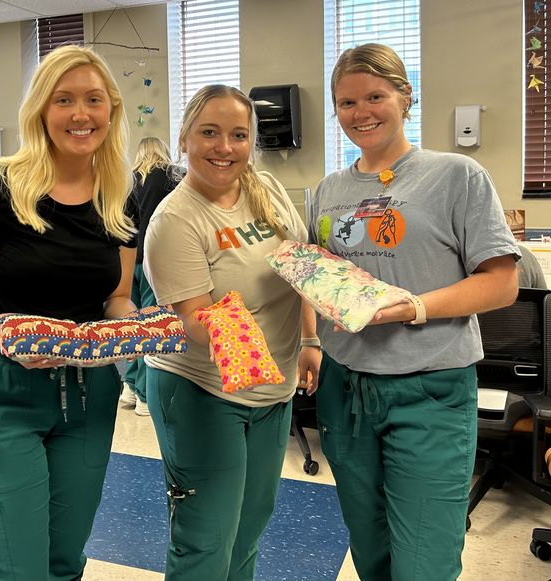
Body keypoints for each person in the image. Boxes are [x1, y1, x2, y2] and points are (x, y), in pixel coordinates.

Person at [300, 43, 520, 581]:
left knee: (424, 559)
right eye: (347, 102)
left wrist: (413, 307)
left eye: (375, 96)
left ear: (405, 97)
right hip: (346, 389)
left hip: (429, 387)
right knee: (371, 548)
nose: (362, 112)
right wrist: (309, 342)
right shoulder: (329, 190)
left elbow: (502, 283)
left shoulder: (455, 176)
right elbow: (314, 279)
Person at [0, 44, 138, 581]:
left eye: (93, 99)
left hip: (88, 397)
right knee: (15, 568)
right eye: (63, 99)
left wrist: (135, 328)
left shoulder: (118, 196)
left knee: (63, 562)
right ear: (41, 110)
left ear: (110, 110)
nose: (80, 114)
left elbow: (115, 298)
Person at [142, 84, 318, 581]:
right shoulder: (175, 219)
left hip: (274, 389)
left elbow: (300, 269)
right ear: (184, 138)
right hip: (204, 391)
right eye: (210, 133)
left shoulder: (268, 189)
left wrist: (309, 340)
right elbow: (196, 317)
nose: (225, 147)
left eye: (239, 135)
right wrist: (253, 354)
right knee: (206, 538)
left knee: (248, 529)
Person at [119, 136, 184, 416]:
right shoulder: (172, 175)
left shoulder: (127, 180)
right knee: (151, 323)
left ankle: (130, 386)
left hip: (126, 258)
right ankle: (146, 396)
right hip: (154, 259)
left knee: (133, 321)